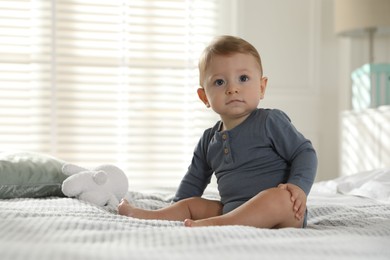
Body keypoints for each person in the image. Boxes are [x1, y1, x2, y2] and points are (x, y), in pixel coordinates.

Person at [118, 35, 317, 229]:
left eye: (243, 78)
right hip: (231, 210)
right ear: (204, 96)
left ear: (262, 86)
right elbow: (193, 182)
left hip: (284, 214)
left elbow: (304, 152)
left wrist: (298, 186)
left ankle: (218, 224)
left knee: (276, 197)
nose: (233, 88)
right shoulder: (208, 140)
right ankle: (151, 216)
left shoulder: (269, 121)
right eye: (220, 82)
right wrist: (178, 206)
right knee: (192, 204)